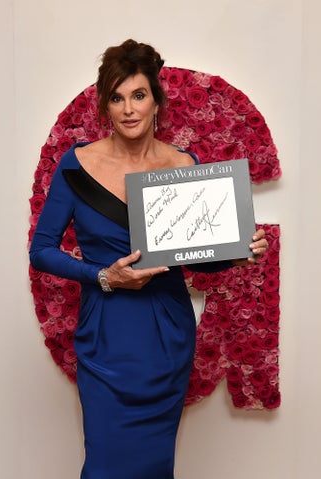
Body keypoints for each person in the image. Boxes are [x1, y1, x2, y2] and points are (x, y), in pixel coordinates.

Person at [29, 39, 269, 479]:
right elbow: (41, 250)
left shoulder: (182, 164)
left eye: (138, 95)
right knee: (105, 464)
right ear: (105, 105)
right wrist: (102, 275)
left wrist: (236, 255)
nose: (128, 108)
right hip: (106, 333)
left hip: (165, 333)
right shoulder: (76, 163)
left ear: (157, 100)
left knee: (153, 467)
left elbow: (194, 259)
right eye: (116, 97)